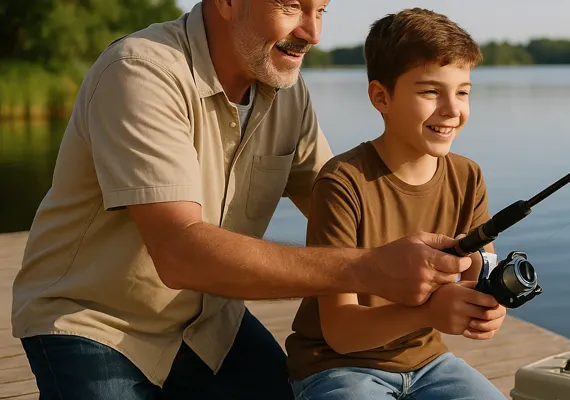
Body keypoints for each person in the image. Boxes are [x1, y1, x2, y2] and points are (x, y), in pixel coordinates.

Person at [10, 1, 476, 399]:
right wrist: (369, 268)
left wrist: (453, 263)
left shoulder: (288, 94)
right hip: (98, 324)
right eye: (291, 6)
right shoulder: (140, 70)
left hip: (212, 323)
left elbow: (347, 210)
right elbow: (180, 253)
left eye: (322, 11)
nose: (311, 32)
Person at [284, 8, 509, 400]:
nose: (452, 109)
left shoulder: (467, 176)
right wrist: (428, 313)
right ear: (381, 97)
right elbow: (341, 331)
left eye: (462, 92)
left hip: (429, 362)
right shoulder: (343, 182)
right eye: (429, 91)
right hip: (337, 366)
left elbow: (481, 271)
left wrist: (488, 304)